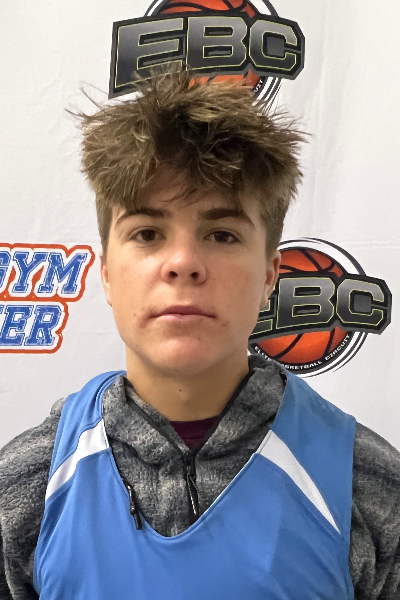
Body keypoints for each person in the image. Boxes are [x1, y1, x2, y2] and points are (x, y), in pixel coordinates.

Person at [0, 69, 399, 600]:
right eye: (147, 233)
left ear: (269, 276)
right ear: (107, 274)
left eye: (222, 234)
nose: (184, 262)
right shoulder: (26, 485)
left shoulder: (367, 485)